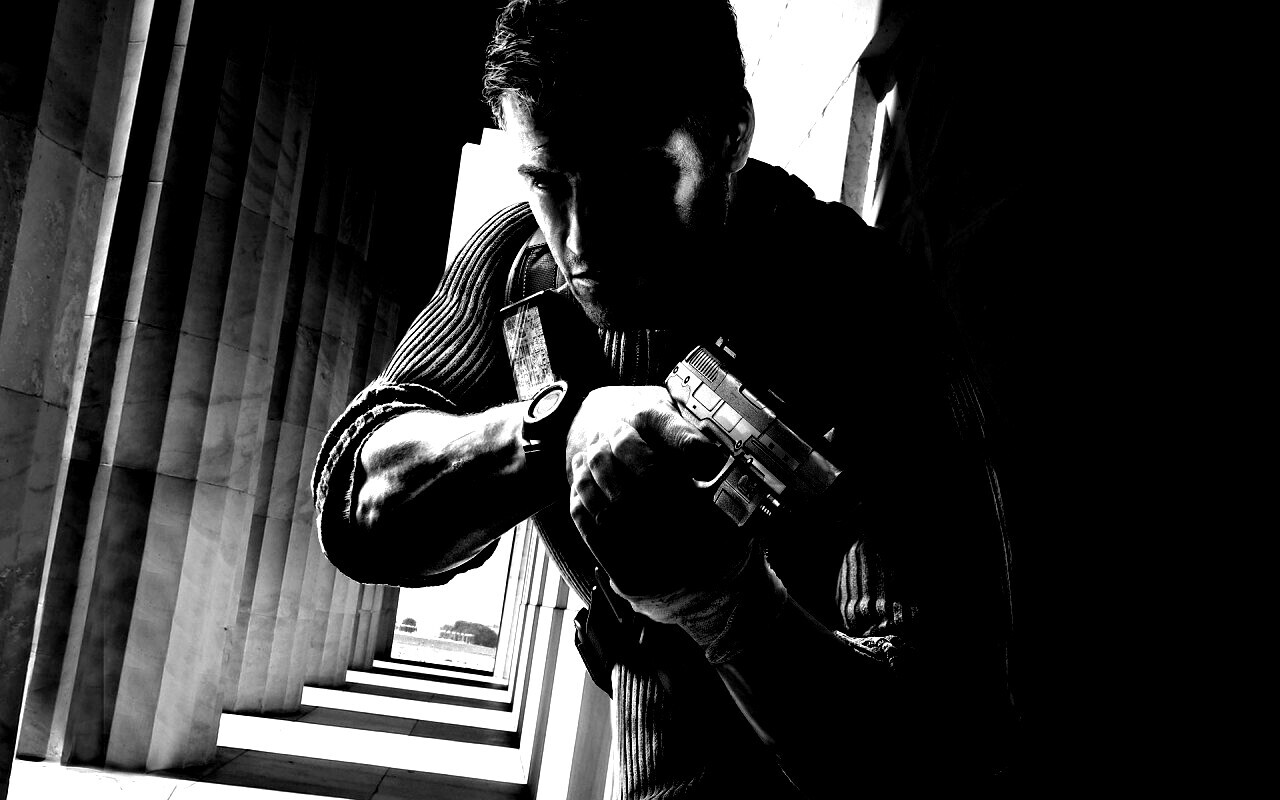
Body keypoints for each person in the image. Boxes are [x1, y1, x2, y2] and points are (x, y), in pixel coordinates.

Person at [312, 1, 1017, 795]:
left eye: (636, 178)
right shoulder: (518, 265)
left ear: (731, 135)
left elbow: (948, 754)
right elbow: (356, 509)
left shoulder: (871, 317)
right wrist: (557, 433)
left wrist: (724, 604)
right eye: (548, 183)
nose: (583, 243)